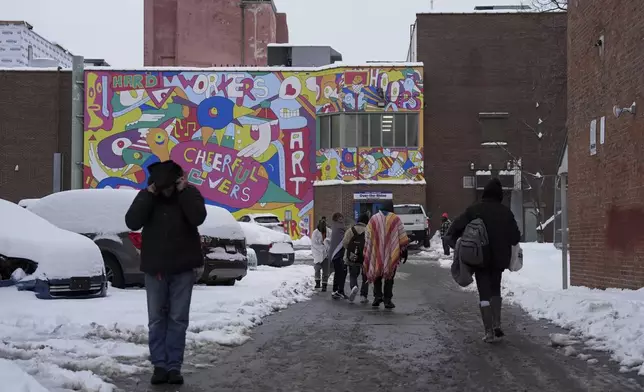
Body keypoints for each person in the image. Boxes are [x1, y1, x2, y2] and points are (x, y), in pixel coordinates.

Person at [125, 160, 207, 385]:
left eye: (171, 184)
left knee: (178, 319)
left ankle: (174, 367)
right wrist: (148, 193)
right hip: (155, 269)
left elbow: (198, 217)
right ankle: (159, 366)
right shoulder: (150, 197)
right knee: (156, 320)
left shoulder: (189, 194)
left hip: (182, 269)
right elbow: (132, 221)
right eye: (164, 184)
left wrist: (185, 191)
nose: (167, 189)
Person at [445, 178, 521, 343]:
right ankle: (497, 324)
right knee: (496, 289)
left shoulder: (474, 210)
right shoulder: (505, 212)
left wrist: (458, 247)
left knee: (484, 293)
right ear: (500, 195)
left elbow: (453, 229)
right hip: (499, 260)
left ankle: (488, 332)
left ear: (484, 193)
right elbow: (516, 236)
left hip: (479, 258)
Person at [363, 200, 409, 309]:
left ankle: (377, 296)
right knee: (389, 276)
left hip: (376, 252)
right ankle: (387, 300)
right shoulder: (395, 219)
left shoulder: (373, 219)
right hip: (391, 254)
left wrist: (371, 249)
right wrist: (404, 251)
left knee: (377, 275)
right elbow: (402, 238)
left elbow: (367, 236)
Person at [342, 213, 370, 303]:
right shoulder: (369, 231)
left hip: (352, 256)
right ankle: (363, 296)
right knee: (365, 277)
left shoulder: (351, 230)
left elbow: (345, 243)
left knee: (353, 275)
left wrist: (351, 250)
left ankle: (354, 287)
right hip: (365, 257)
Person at [328, 212, 347, 299]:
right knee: (341, 272)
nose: (341, 219)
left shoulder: (335, 226)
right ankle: (339, 291)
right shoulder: (340, 226)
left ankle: (335, 290)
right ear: (337, 219)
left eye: (341, 217)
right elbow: (345, 239)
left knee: (338, 272)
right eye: (340, 217)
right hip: (338, 253)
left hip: (335, 253)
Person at [311, 219, 331, 291]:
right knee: (317, 269)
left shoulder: (329, 231)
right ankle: (317, 283)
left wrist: (326, 243)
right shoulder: (315, 233)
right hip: (317, 253)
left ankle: (324, 285)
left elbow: (330, 241)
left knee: (326, 271)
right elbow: (314, 244)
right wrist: (323, 245)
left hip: (326, 254)